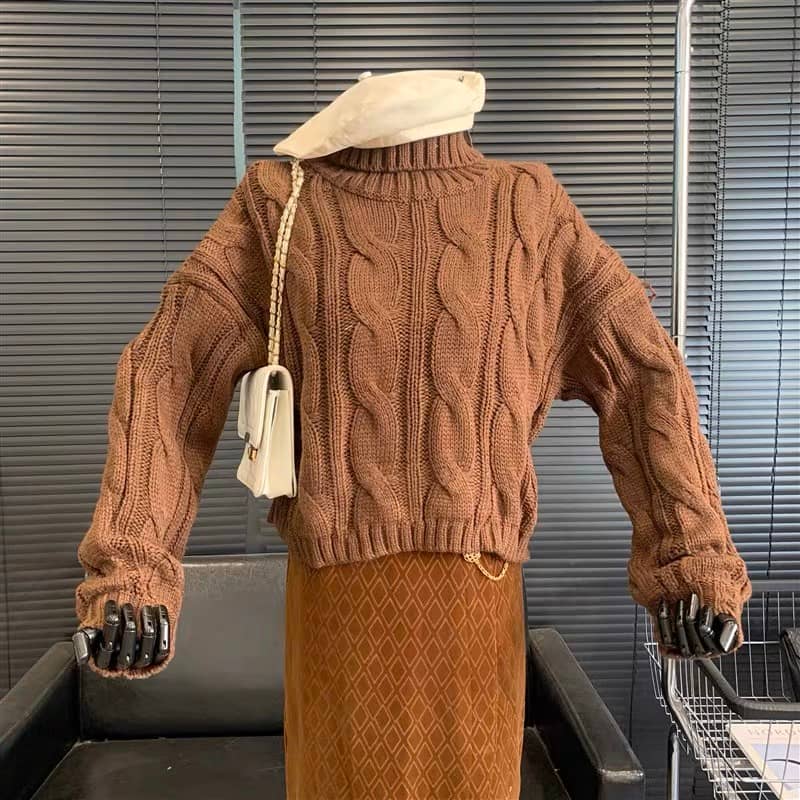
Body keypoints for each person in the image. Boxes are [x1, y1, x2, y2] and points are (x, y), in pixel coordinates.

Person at [73, 69, 752, 799]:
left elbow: (644, 373)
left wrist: (690, 557)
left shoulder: (528, 208)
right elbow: (168, 372)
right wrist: (132, 567)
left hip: (476, 612)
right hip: (337, 612)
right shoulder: (280, 205)